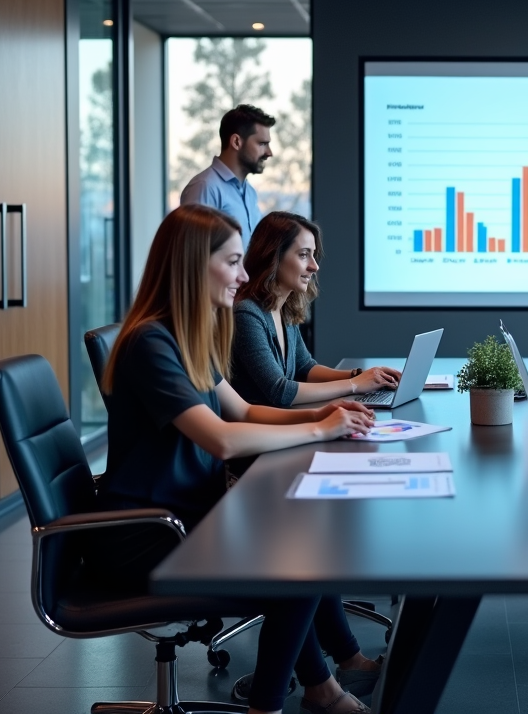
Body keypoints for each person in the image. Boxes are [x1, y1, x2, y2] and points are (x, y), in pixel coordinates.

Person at [96, 205, 379, 714]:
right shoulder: (150, 343)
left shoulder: (188, 337)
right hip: (152, 534)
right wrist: (319, 426)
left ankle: (319, 689)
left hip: (192, 515)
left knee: (309, 538)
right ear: (191, 266)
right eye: (232, 262)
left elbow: (245, 408)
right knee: (304, 555)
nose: (246, 274)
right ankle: (277, 703)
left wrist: (329, 411)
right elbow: (222, 440)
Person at [231, 211, 401, 405]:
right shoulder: (246, 313)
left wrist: (366, 376)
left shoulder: (283, 308)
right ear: (273, 256)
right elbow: (279, 391)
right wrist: (354, 384)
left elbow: (305, 367)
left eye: (313, 255)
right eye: (303, 255)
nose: (314, 266)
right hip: (259, 430)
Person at [181, 104, 274, 249]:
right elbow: (192, 256)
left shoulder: (250, 192)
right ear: (236, 142)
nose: (269, 152)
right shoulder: (205, 187)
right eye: (262, 143)